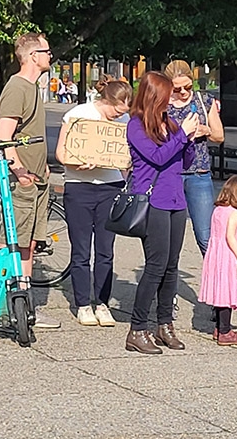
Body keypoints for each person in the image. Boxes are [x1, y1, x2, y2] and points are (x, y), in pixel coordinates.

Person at [124, 71, 200, 355]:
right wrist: (180, 138)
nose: (173, 99)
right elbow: (157, 157)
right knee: (155, 265)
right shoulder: (136, 125)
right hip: (153, 200)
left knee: (172, 266)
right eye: (168, 94)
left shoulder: (169, 122)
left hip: (176, 199)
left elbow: (184, 160)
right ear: (155, 95)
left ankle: (164, 324)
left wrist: (188, 138)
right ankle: (137, 328)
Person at [55, 80, 133, 327]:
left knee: (106, 250)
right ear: (107, 101)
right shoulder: (79, 115)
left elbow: (127, 153)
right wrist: (77, 163)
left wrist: (126, 166)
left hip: (110, 187)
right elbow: (61, 153)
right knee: (80, 250)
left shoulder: (124, 121)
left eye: (123, 112)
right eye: (116, 111)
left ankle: (102, 302)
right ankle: (82, 304)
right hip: (80, 186)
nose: (118, 116)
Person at [0, 32, 58, 329]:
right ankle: (11, 306)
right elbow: (3, 137)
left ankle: (26, 305)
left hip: (37, 177)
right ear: (33, 56)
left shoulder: (33, 88)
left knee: (29, 244)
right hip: (23, 180)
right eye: (46, 52)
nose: (50, 57)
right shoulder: (17, 87)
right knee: (15, 243)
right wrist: (19, 171)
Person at [164, 60, 225, 254]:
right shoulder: (162, 104)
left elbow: (219, 136)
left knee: (205, 235)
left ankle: (218, 280)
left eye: (187, 87)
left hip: (198, 173)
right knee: (168, 238)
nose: (183, 93)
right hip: (170, 173)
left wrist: (205, 130)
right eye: (177, 89)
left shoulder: (203, 100)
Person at [198, 175, 237, 346]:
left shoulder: (219, 209)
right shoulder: (234, 212)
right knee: (226, 294)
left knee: (219, 291)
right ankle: (225, 331)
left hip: (215, 255)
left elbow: (222, 230)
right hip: (227, 256)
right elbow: (230, 237)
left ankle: (218, 327)